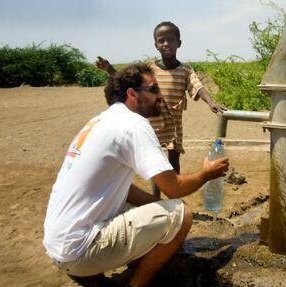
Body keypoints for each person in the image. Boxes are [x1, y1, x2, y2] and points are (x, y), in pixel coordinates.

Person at [43, 63, 229, 287]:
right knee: (181, 215)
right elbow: (175, 188)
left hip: (57, 247)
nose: (160, 96)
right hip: (80, 251)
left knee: (149, 208)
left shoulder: (100, 120)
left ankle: (99, 281)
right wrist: (206, 174)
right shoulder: (134, 125)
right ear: (132, 94)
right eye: (153, 90)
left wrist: (158, 205)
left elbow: (124, 189)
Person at [96, 21, 226, 197]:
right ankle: (156, 198)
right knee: (155, 163)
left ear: (179, 43)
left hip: (174, 123)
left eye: (171, 40)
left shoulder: (185, 70)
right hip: (152, 122)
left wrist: (211, 102)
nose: (166, 44)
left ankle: (175, 195)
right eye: (161, 40)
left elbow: (197, 86)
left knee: (174, 160)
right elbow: (126, 80)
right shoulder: (150, 68)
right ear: (156, 45)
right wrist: (109, 68)